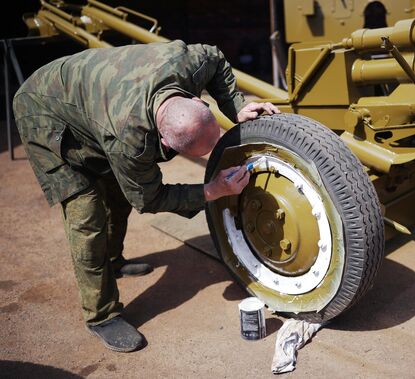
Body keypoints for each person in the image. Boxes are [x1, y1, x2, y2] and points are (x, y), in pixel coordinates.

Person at [13, 40, 280, 352]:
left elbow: (216, 56)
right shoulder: (130, 140)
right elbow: (149, 199)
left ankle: (112, 261)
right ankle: (101, 315)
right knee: (87, 214)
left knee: (117, 193)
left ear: (198, 101)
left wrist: (235, 106)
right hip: (44, 111)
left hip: (86, 96)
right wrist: (212, 191)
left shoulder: (188, 63)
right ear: (163, 140)